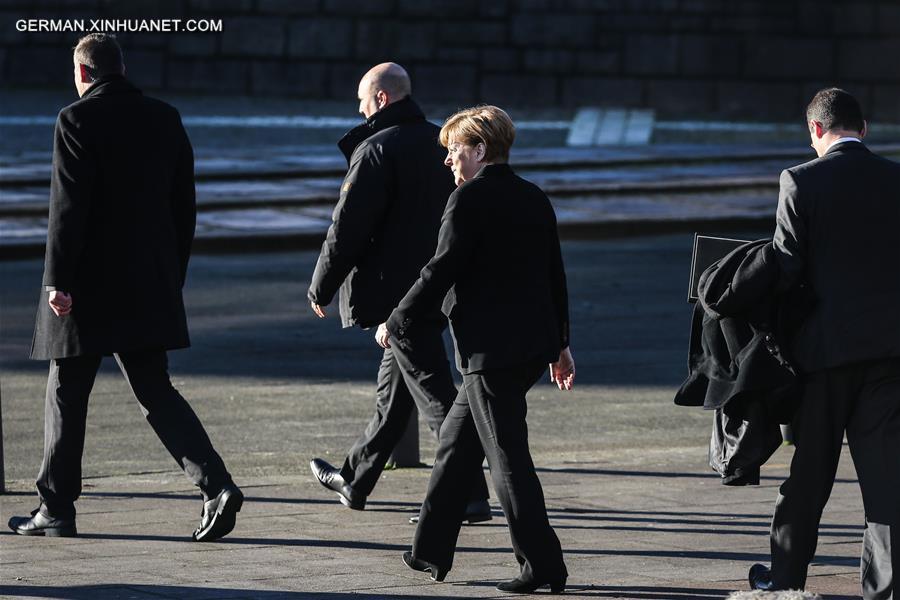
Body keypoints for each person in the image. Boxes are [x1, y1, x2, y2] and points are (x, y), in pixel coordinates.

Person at [7, 33, 242, 542]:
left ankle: (56, 507)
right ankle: (216, 486)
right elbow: (185, 206)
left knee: (68, 390)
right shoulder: (166, 117)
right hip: (147, 282)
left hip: (86, 287)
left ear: (84, 73)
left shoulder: (75, 118)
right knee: (155, 389)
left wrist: (57, 281)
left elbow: (68, 207)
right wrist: (169, 276)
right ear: (123, 68)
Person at [377, 105, 574, 593]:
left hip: (490, 352)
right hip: (526, 348)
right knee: (455, 446)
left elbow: (439, 270)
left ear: (480, 151)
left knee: (508, 460)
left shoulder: (468, 200)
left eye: (454, 151)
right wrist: (560, 345)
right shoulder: (533, 197)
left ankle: (543, 565)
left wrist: (397, 319)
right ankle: (429, 552)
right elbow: (554, 277)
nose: (448, 161)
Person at [306, 63, 490, 521]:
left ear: (382, 99)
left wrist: (321, 285)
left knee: (434, 393)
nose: (360, 107)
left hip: (396, 296)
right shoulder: (442, 142)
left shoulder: (375, 149)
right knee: (394, 394)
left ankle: (468, 493)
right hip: (435, 283)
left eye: (362, 99)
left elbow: (346, 228)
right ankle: (355, 477)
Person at [748, 88, 900, 599]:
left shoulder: (800, 180)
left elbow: (787, 267)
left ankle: (787, 580)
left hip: (824, 354)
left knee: (809, 477)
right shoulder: (895, 178)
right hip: (887, 352)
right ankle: (885, 589)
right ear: (865, 128)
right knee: (885, 480)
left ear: (815, 130)